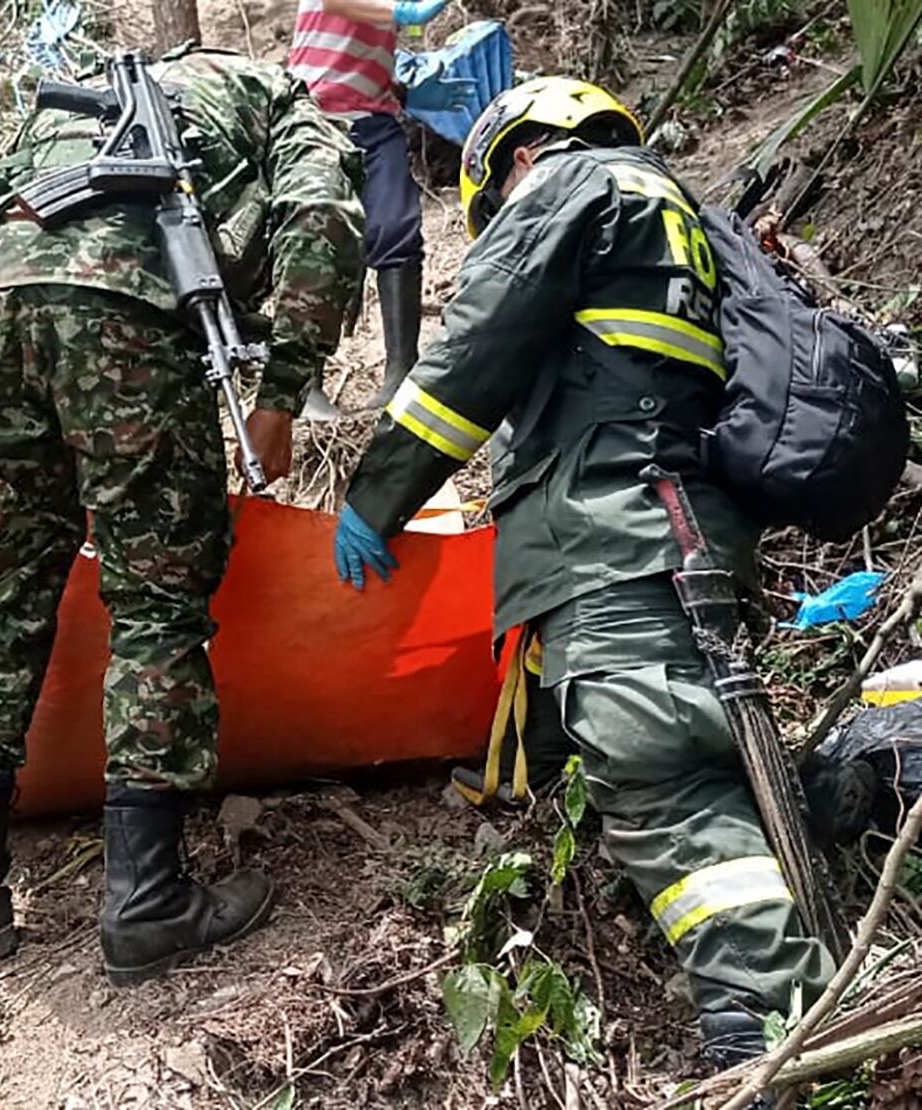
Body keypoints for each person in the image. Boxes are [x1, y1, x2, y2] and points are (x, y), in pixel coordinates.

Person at [332, 77, 836, 1069]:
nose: (493, 227)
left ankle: (765, 1024)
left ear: (524, 155)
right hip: (691, 534)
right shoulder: (676, 214)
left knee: (662, 781)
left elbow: (476, 351)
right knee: (697, 740)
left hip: (618, 537)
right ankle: (833, 806)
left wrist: (375, 495)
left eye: (489, 211)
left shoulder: (573, 188)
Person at [0, 49, 364, 983]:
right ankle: (145, 899)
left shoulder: (71, 106)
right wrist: (282, 387)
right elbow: (319, 217)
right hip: (132, 317)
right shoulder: (275, 94)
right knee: (157, 605)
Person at [288, 0, 472, 414]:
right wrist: (410, 14)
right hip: (316, 122)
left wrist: (408, 93)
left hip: (373, 122)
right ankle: (305, 381)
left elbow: (361, 64)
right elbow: (404, 15)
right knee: (318, 241)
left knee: (397, 230)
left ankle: (401, 372)